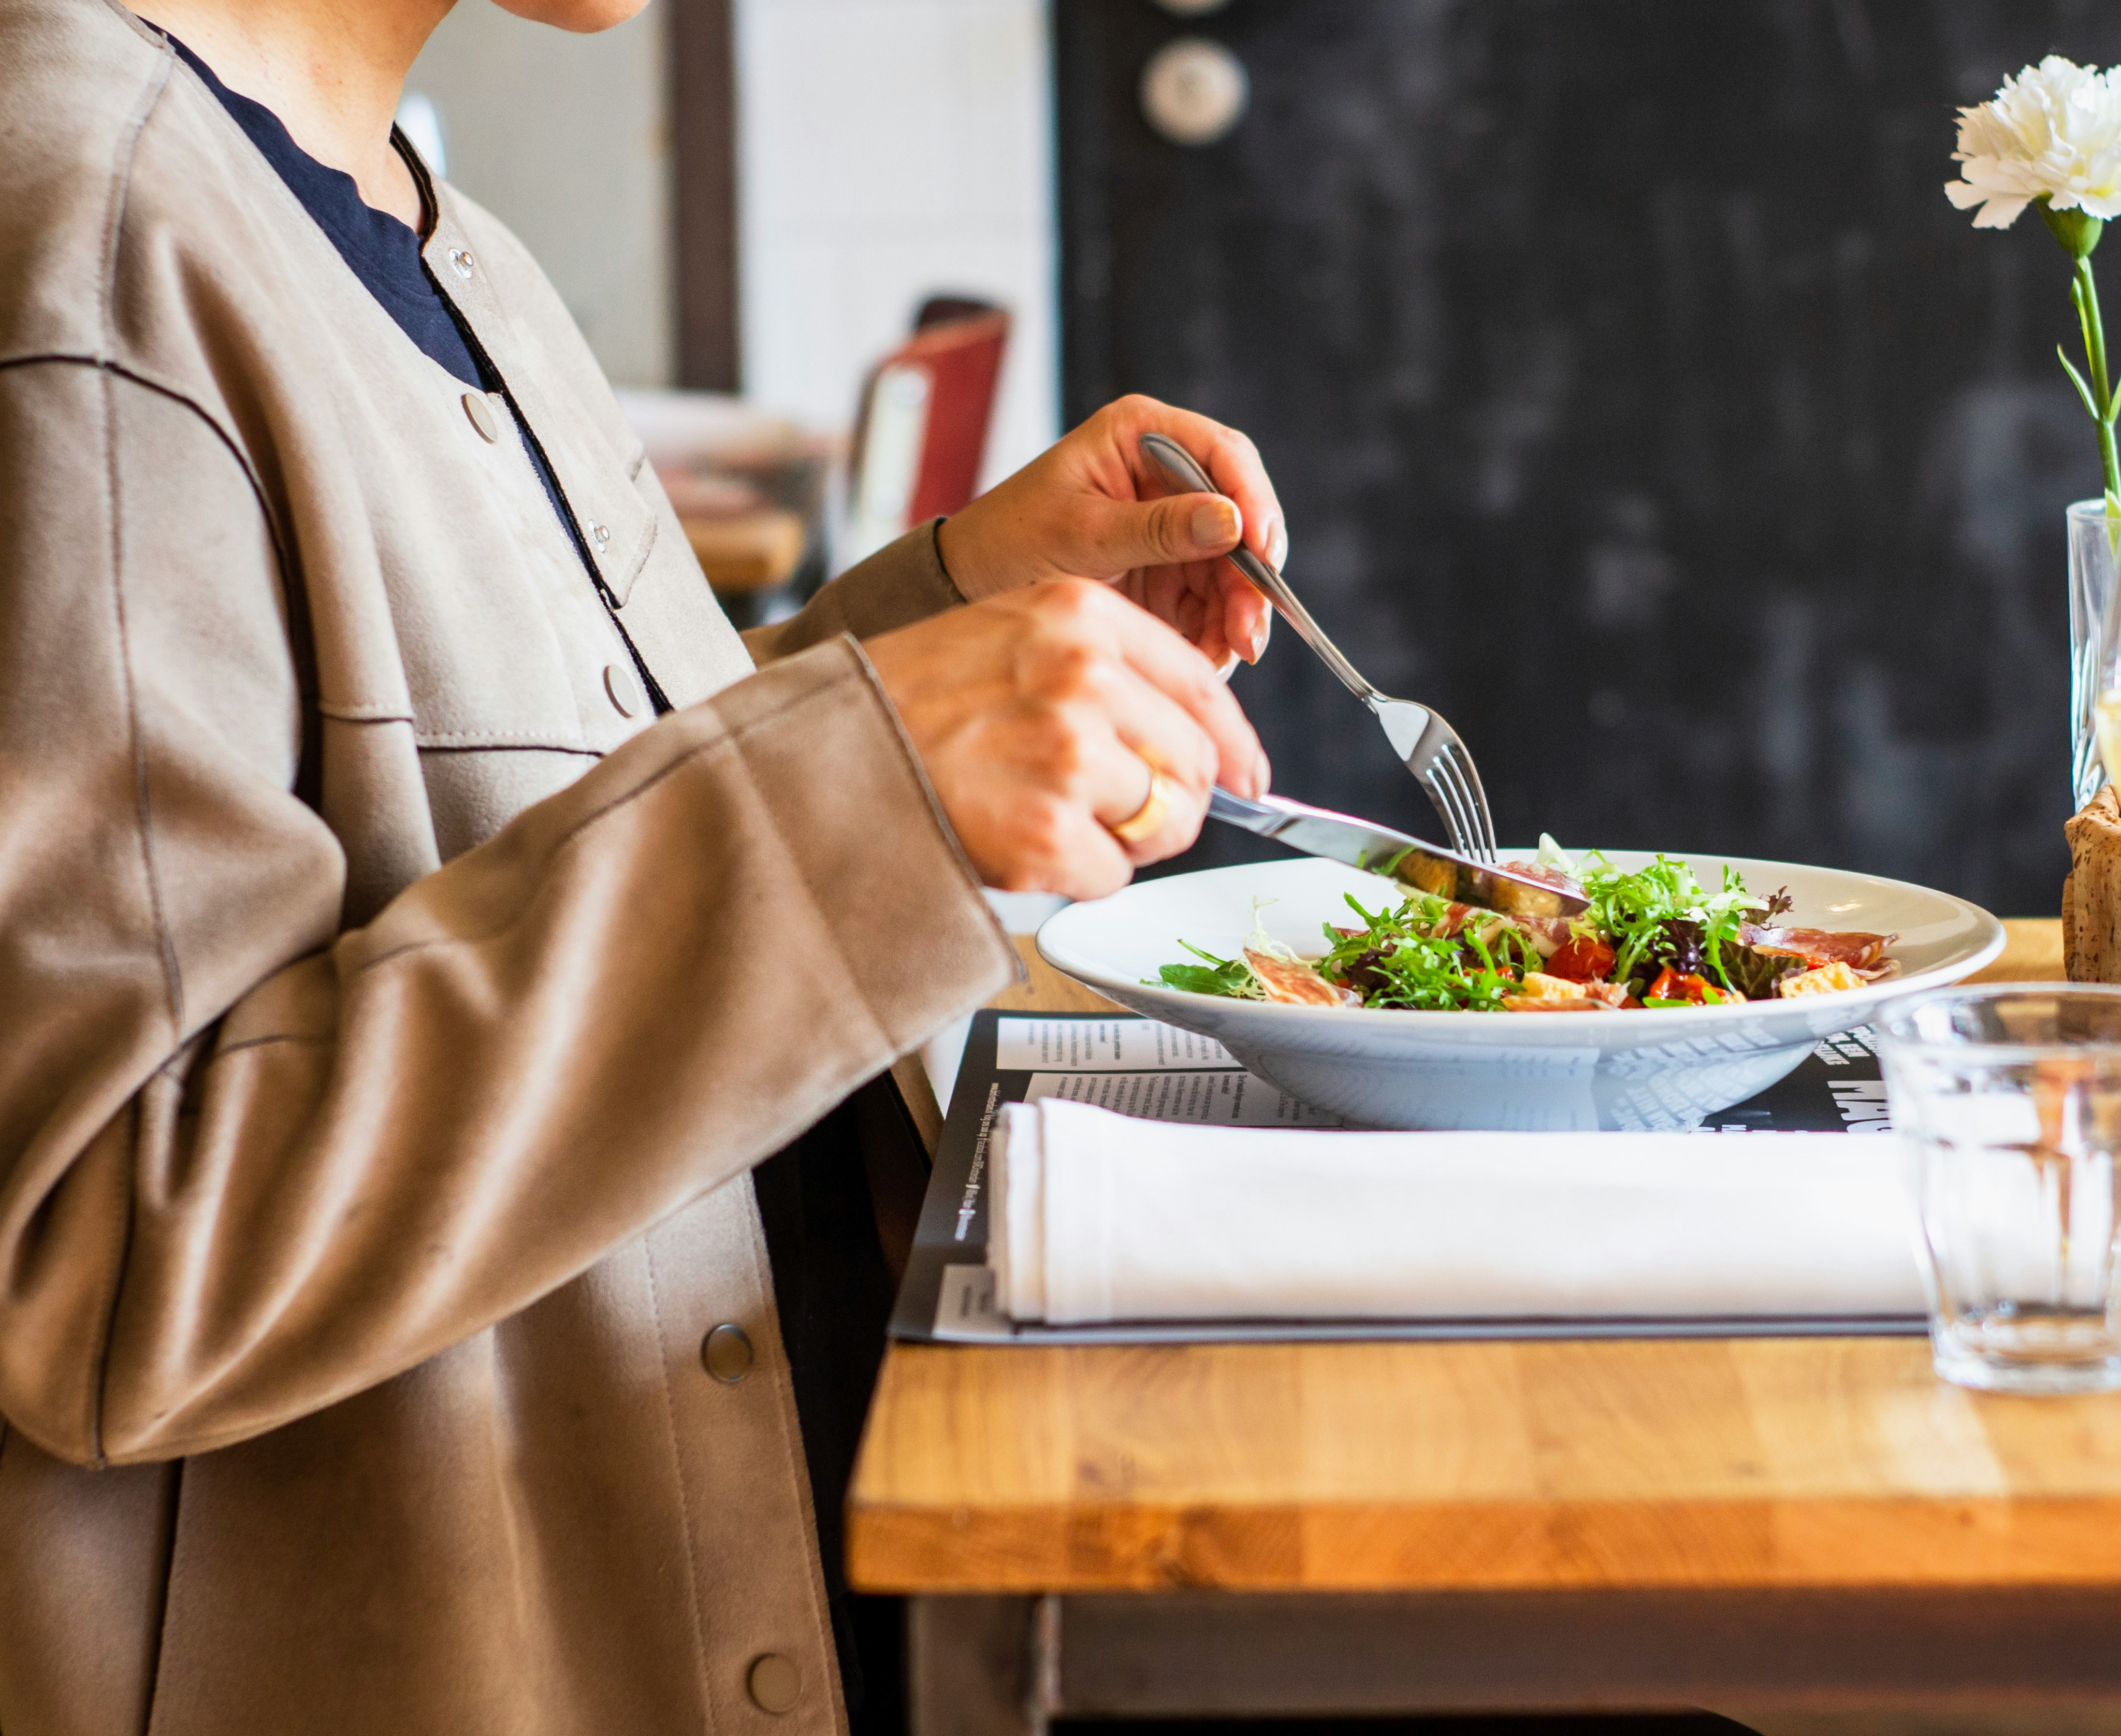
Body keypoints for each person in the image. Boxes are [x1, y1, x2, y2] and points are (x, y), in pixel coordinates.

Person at [0, 0, 1285, 1727]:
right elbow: (110, 1254)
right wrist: (868, 777)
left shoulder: (440, 239)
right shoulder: (85, 235)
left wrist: (939, 608)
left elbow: (547, 820)